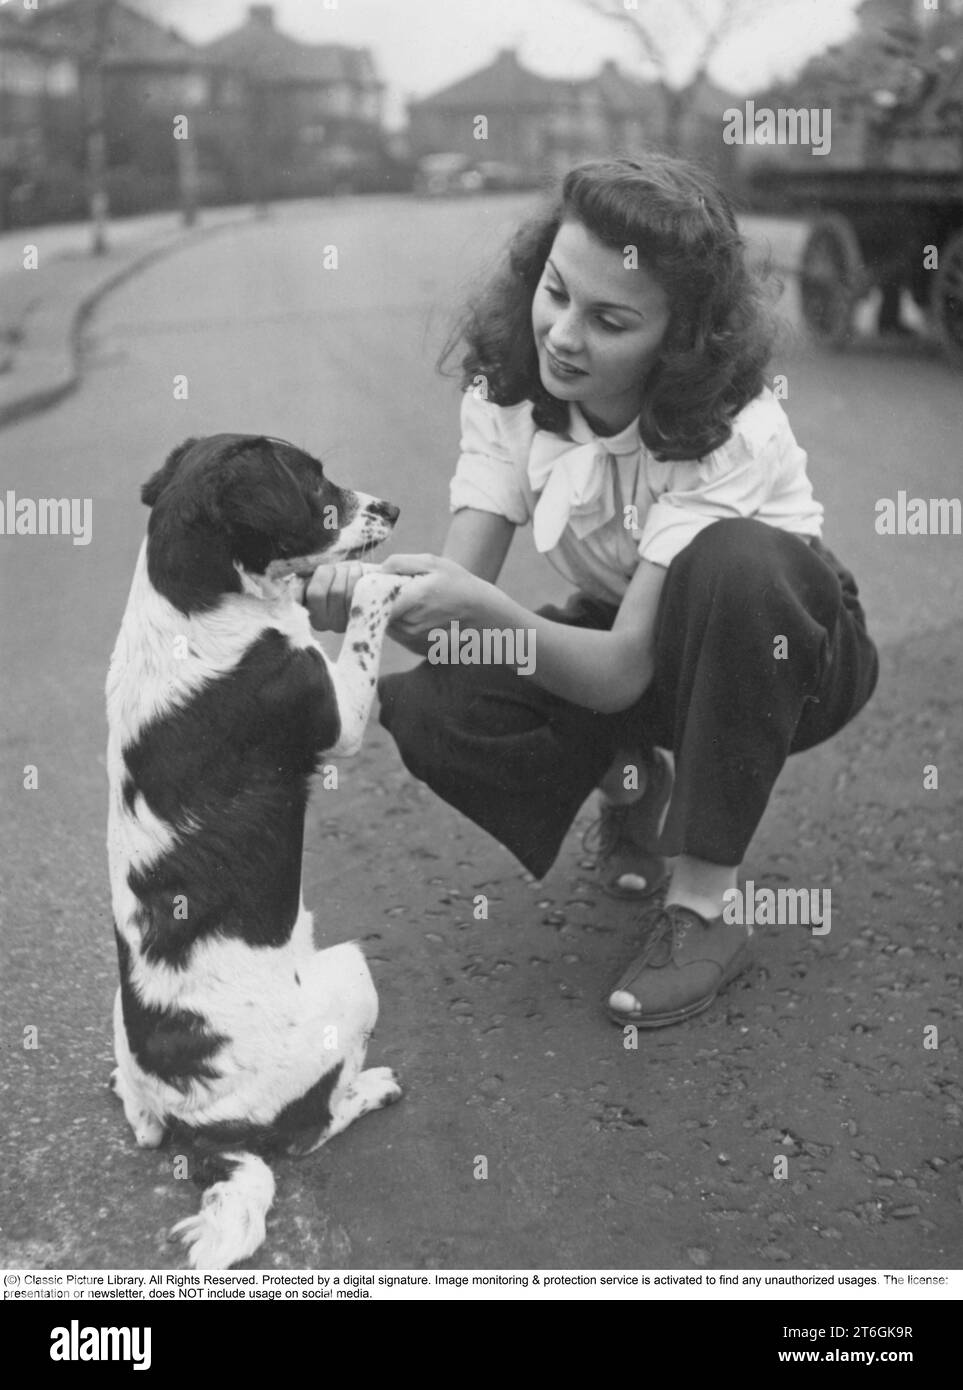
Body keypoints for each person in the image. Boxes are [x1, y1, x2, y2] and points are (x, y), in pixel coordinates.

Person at [306, 154, 879, 1029]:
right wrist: (373, 600)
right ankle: (630, 780)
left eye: (609, 320)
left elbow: (612, 674)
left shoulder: (727, 429)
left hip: (782, 649)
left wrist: (479, 610)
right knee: (434, 708)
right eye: (555, 291)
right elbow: (460, 611)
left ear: (678, 339)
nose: (563, 336)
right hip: (628, 638)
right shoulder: (507, 394)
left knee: (737, 562)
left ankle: (703, 911)